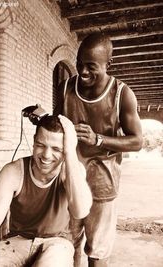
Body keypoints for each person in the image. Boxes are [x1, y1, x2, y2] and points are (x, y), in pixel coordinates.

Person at [54, 32, 143, 267]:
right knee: (62, 246)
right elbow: (56, 127)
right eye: (79, 64)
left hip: (103, 185)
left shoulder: (122, 94)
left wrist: (99, 139)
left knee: (97, 253)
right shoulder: (65, 88)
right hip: (69, 181)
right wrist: (45, 121)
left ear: (108, 64)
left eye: (91, 66)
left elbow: (137, 141)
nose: (82, 72)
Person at [0, 115, 92, 267]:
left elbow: (81, 211)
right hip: (18, 241)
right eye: (41, 145)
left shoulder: (72, 170)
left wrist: (70, 152)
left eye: (57, 149)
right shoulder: (13, 172)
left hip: (57, 244)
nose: (46, 155)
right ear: (34, 141)